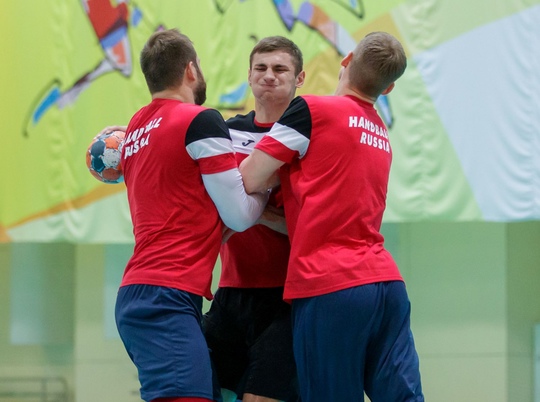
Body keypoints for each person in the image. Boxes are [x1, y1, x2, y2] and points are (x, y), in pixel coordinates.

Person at [239, 32, 424, 401]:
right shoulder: (380, 131)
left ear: (346, 60)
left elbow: (249, 179)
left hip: (330, 285)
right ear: (387, 89)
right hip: (387, 284)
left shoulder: (312, 110)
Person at [114, 28, 268, 402]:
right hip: (164, 295)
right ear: (190, 70)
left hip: (148, 292)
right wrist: (267, 181)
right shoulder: (200, 120)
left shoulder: (135, 127)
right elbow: (239, 215)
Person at [202, 36, 305, 402]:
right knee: (201, 391)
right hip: (230, 292)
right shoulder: (224, 134)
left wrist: (250, 213)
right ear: (248, 76)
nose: (269, 76)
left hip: (286, 297)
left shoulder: (308, 137)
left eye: (280, 69)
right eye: (260, 68)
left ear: (300, 78)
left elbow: (312, 227)